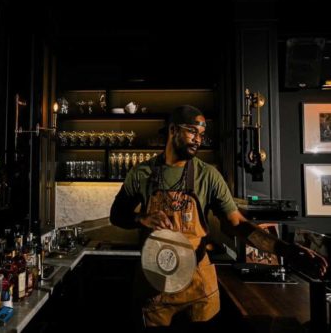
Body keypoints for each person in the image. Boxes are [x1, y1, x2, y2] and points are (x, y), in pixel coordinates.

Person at [109, 105, 328, 332]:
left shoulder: (208, 176)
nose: (198, 139)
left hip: (199, 292)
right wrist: (141, 218)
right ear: (173, 130)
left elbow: (238, 225)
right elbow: (117, 215)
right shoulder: (141, 173)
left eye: (202, 135)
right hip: (155, 291)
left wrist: (288, 251)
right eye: (192, 131)